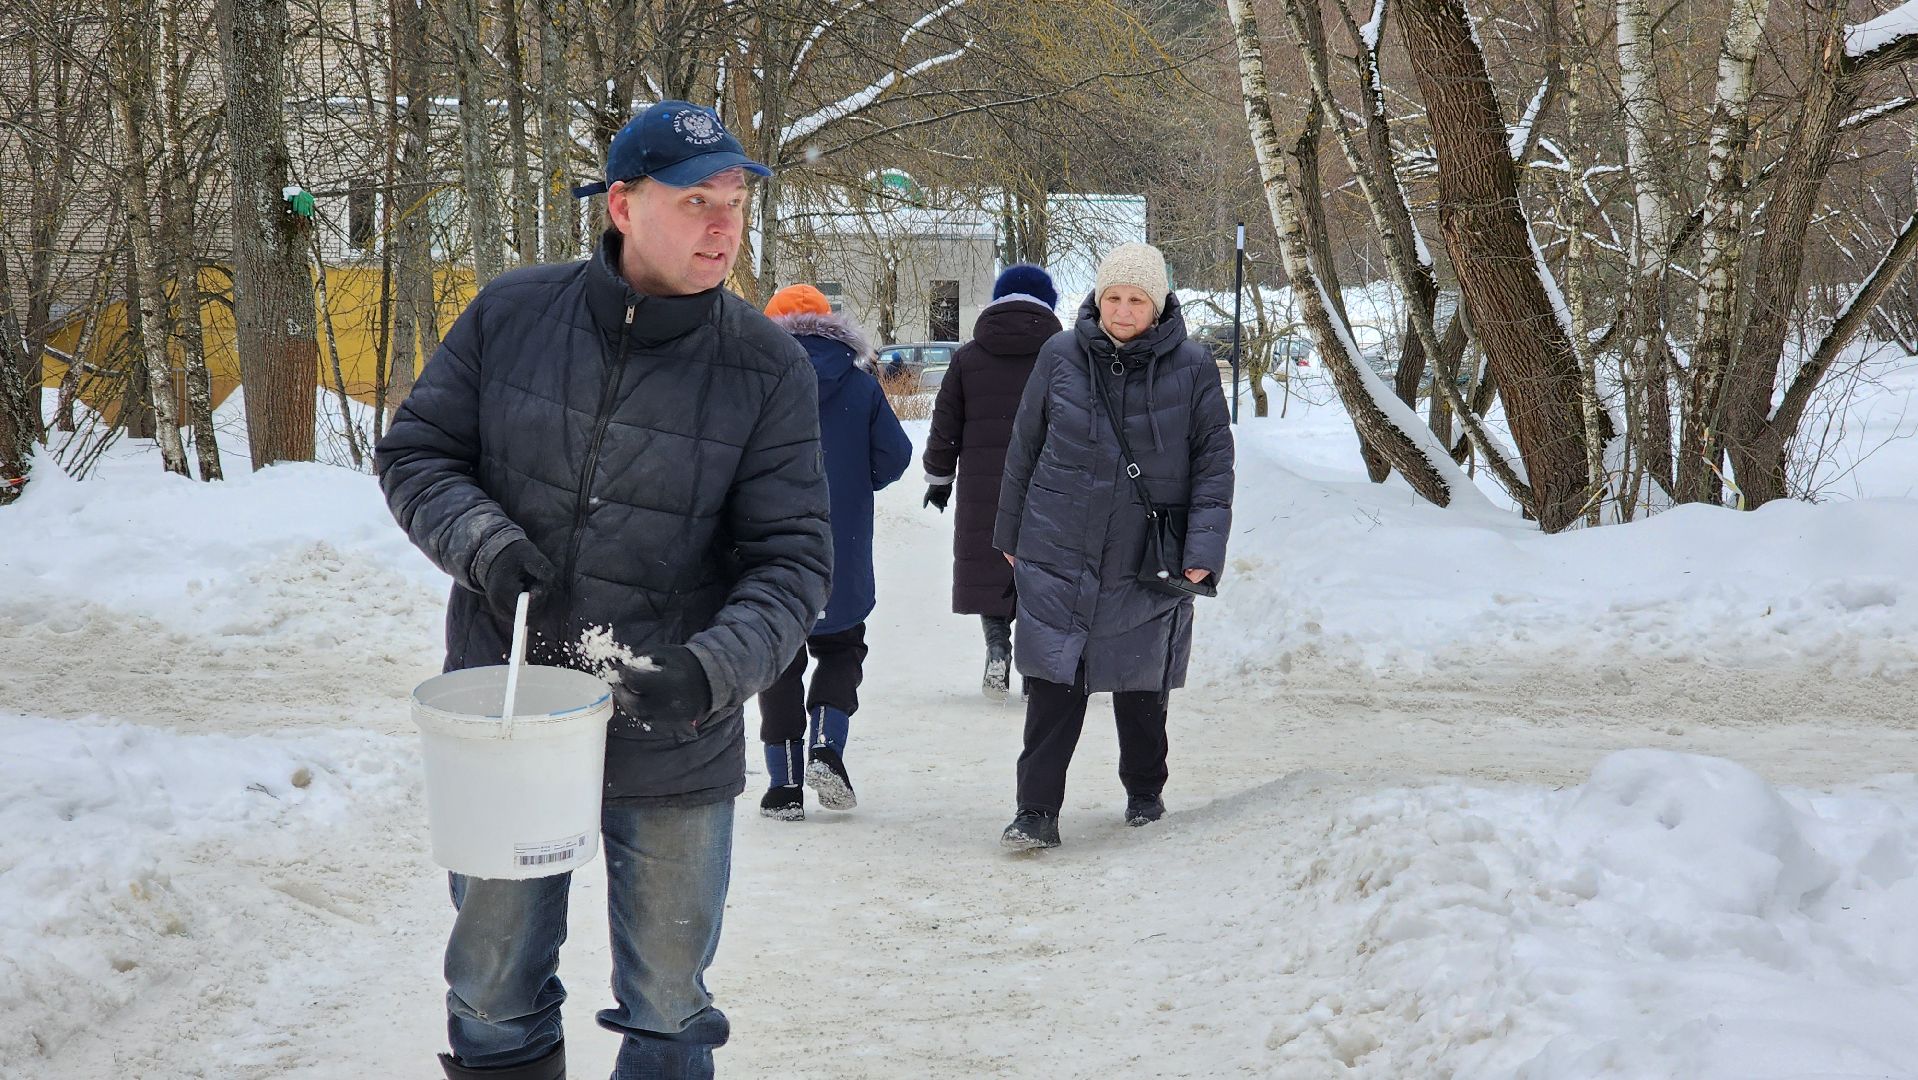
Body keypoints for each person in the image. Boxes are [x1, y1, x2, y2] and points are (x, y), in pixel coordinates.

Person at [374, 100, 832, 1080]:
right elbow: (418, 451)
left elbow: (792, 563)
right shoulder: (512, 314)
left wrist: (708, 671)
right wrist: (484, 545)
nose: (723, 225)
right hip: (512, 714)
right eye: (695, 200)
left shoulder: (766, 368)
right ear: (623, 205)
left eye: (736, 201)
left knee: (670, 1005)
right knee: (492, 990)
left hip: (674, 725)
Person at [992, 242, 1234, 851]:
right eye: (1113, 298)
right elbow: (1024, 447)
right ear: (1098, 299)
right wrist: (1010, 535)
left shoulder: (1195, 366)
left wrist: (1203, 548)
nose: (1123, 311)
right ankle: (1036, 811)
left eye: (1137, 300)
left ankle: (1145, 793)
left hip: (1144, 551)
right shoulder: (1060, 355)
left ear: (1158, 305)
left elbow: (1213, 465)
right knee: (1054, 680)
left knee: (1140, 682)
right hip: (1058, 540)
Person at [755, 284, 911, 820]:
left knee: (778, 662)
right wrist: (854, 483)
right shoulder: (860, 381)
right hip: (839, 545)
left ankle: (784, 787)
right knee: (842, 648)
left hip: (767, 545)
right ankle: (827, 744)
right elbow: (895, 455)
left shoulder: (756, 380)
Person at [922, 265, 1063, 701]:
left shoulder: (968, 357)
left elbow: (946, 423)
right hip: (1050, 484)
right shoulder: (1063, 355)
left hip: (986, 487)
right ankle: (1036, 667)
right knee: (1043, 571)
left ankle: (997, 647)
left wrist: (939, 479)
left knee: (989, 568)